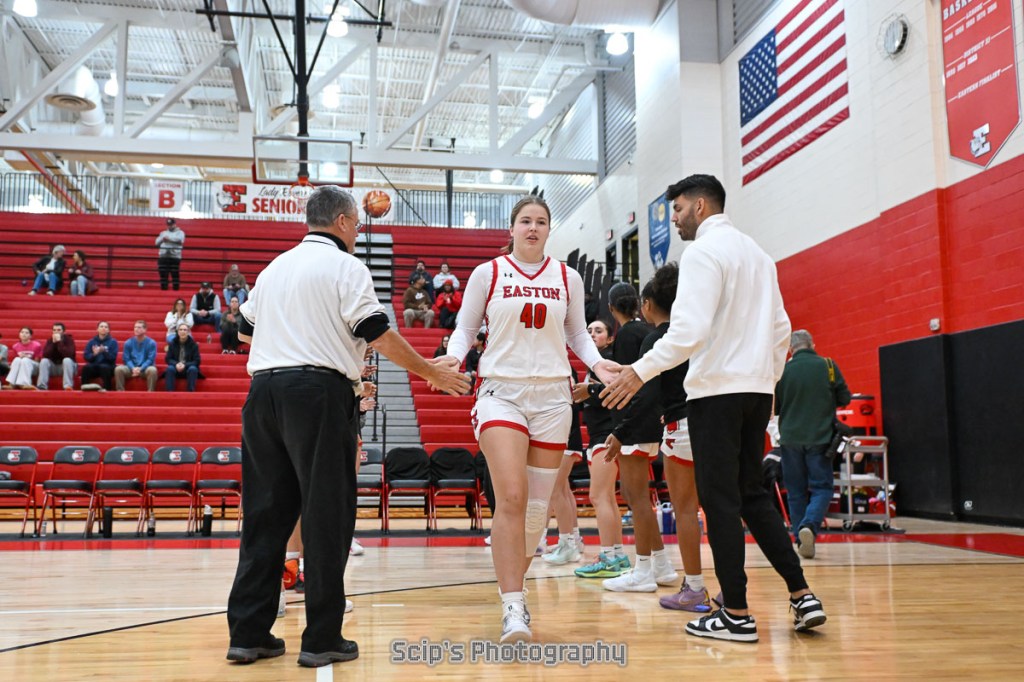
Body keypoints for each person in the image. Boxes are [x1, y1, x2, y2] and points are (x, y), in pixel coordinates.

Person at [225, 186, 469, 668]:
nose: (358, 230)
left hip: (263, 393)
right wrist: (430, 371)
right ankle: (321, 639)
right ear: (340, 221)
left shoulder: (274, 268)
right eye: (356, 222)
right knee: (326, 515)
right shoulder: (346, 266)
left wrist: (296, 338)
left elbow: (243, 333)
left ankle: (248, 635)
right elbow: (374, 330)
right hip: (318, 394)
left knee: (264, 517)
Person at [601, 174, 826, 643]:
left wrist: (639, 371)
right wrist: (766, 381)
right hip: (756, 392)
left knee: (720, 501)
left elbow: (688, 332)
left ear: (700, 206)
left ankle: (736, 614)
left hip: (716, 394)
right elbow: (781, 329)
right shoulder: (759, 255)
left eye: (679, 209)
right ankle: (802, 593)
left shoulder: (702, 252)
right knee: (752, 495)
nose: (675, 219)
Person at [437, 194, 618, 643]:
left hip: (554, 397)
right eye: (525, 221)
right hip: (501, 392)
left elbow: (577, 332)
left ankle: (514, 587)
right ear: (512, 228)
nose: (533, 228)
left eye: (540, 221)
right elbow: (465, 328)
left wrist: (598, 365)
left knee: (537, 510)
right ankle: (513, 606)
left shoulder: (568, 276)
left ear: (549, 229)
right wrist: (455, 356)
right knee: (513, 496)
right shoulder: (488, 273)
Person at [631, 263, 715, 613]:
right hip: (715, 421)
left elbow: (646, 396)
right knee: (721, 508)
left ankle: (694, 587)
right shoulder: (706, 332)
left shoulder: (659, 340)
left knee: (685, 510)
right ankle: (731, 587)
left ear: (650, 303)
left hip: (680, 424)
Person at [600, 277, 681, 594]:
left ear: (611, 309)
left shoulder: (630, 336)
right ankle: (661, 564)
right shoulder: (649, 332)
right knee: (636, 495)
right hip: (648, 424)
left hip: (635, 425)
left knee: (636, 497)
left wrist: (621, 430)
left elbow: (632, 388)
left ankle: (643, 570)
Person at [574, 287, 649, 581]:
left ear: (609, 337)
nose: (592, 334)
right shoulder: (595, 364)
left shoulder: (609, 361)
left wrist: (590, 391)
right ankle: (616, 554)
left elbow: (615, 392)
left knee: (599, 495)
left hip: (606, 433)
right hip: (599, 433)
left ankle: (609, 556)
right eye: (589, 331)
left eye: (599, 331)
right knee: (606, 496)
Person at [775, 329, 852, 559]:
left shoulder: (782, 371)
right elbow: (845, 398)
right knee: (822, 488)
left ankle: (801, 539)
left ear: (791, 350)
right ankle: (809, 525)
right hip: (820, 437)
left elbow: (776, 408)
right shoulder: (828, 366)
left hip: (789, 439)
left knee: (795, 492)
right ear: (812, 345)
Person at [114, 320, 158, 391]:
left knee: (152, 370)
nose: (136, 329)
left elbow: (150, 359)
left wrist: (141, 368)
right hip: (131, 368)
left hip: (145, 369)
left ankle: (151, 392)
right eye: (135, 327)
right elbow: (126, 359)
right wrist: (133, 368)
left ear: (145, 330)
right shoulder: (128, 342)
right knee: (118, 369)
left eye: (139, 327)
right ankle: (120, 391)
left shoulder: (151, 343)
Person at [37, 322, 77, 391]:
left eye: (59, 330)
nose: (56, 332)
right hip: (54, 367)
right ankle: (42, 386)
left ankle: (68, 386)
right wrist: (53, 343)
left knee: (67, 360)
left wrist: (59, 342)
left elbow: (68, 354)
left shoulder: (69, 340)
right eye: (54, 330)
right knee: (44, 361)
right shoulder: (50, 340)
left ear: (64, 332)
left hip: (68, 367)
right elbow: (45, 355)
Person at [164, 323, 202, 392]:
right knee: (170, 368)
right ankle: (169, 392)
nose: (182, 331)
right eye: (180, 330)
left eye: (185, 330)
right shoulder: (172, 343)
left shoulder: (194, 345)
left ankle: (190, 392)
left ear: (188, 332)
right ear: (178, 332)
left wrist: (185, 365)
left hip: (188, 368)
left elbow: (197, 361)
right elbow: (168, 359)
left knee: (193, 369)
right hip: (176, 367)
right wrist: (176, 364)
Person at [81, 321, 118, 391]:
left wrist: (104, 352)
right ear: (97, 329)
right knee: (86, 368)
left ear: (108, 330)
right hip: (95, 366)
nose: (103, 328)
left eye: (106, 327)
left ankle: (107, 389)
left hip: (108, 366)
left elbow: (113, 358)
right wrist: (94, 354)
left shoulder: (113, 342)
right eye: (101, 326)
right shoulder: (91, 342)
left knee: (104, 367)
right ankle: (84, 387)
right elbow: (86, 356)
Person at [156, 218, 185, 291]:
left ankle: (176, 290)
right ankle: (164, 290)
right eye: (168, 225)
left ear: (175, 224)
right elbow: (156, 242)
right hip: (163, 256)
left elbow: (179, 240)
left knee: (175, 274)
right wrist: (163, 239)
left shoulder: (180, 232)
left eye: (171, 225)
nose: (170, 226)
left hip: (174, 256)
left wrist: (168, 239)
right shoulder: (163, 233)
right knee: (163, 274)